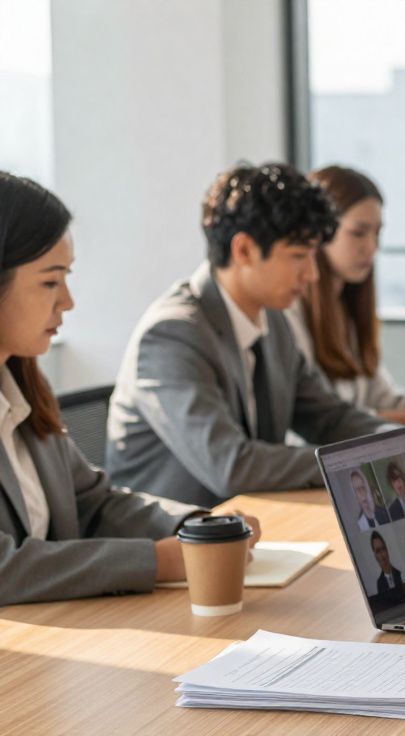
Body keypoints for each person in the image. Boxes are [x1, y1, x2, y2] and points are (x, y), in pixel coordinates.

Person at [0, 171, 261, 606]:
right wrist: (158, 562)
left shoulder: (22, 387)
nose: (68, 301)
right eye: (50, 281)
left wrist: (200, 527)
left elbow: (94, 504)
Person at [105, 163, 395, 507]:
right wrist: (357, 460)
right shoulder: (172, 335)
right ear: (243, 250)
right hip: (177, 532)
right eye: (299, 256)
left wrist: (395, 442)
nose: (313, 274)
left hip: (249, 519)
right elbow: (232, 465)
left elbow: (328, 416)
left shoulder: (273, 321)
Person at [285, 165, 405, 431]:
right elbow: (323, 424)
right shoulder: (289, 314)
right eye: (358, 232)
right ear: (319, 234)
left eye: (377, 233)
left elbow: (383, 398)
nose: (372, 247)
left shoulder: (347, 307)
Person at [370, 531, 403, 598]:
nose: (382, 554)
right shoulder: (379, 583)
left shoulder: (400, 574)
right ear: (375, 556)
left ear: (387, 550)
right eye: (378, 551)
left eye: (383, 549)